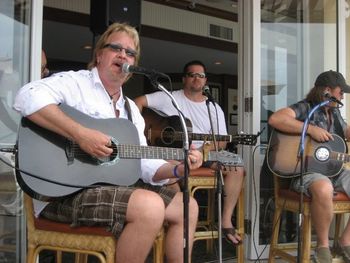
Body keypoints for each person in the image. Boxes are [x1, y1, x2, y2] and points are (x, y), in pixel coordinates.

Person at [13, 23, 203, 263]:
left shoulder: (131, 109)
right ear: (99, 55)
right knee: (150, 206)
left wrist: (178, 168)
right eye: (116, 48)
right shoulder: (76, 83)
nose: (123, 55)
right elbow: (26, 97)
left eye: (130, 53)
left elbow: (144, 163)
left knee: (188, 206)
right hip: (62, 194)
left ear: (133, 65)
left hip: (110, 190)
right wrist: (80, 134)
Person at [134, 60, 244, 246]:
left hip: (204, 153)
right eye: (192, 75)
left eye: (200, 76)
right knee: (166, 168)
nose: (196, 79)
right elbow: (138, 102)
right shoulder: (170, 97)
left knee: (237, 167)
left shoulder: (213, 108)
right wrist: (140, 132)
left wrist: (207, 148)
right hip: (175, 153)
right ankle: (179, 222)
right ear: (184, 78)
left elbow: (224, 140)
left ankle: (225, 221)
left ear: (205, 80)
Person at [268, 70, 350, 263]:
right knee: (323, 187)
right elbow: (276, 119)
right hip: (306, 173)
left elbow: (345, 131)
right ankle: (322, 246)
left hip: (334, 170)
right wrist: (311, 129)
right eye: (341, 92)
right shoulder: (306, 108)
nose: (343, 96)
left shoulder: (336, 113)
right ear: (327, 91)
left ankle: (345, 241)